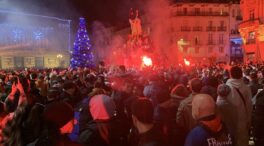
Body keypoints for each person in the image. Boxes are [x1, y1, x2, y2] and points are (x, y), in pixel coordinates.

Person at [225, 66, 252, 146]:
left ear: (231, 75)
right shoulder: (246, 88)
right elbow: (249, 105)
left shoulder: (226, 87)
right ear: (241, 74)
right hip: (243, 119)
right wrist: (249, 119)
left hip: (229, 120)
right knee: (242, 141)